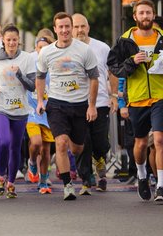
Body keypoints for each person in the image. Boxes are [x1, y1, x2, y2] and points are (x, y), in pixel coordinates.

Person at [36, 12, 99, 201]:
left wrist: (92, 106)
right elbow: (39, 77)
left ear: (72, 28)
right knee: (61, 143)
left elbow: (94, 79)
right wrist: (40, 101)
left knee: (77, 148)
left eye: (67, 26)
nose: (64, 30)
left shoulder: (84, 50)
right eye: (60, 27)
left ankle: (71, 161)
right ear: (55, 29)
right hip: (56, 104)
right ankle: (67, 185)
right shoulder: (46, 52)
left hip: (79, 104)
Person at [108, 0, 163, 201]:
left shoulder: (162, 37)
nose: (145, 16)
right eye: (141, 13)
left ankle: (161, 186)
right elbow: (113, 66)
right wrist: (132, 62)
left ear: (154, 15)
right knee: (140, 144)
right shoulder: (125, 40)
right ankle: (141, 174)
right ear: (135, 17)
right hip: (137, 98)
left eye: (148, 13)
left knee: (159, 140)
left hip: (160, 96)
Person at [0, 25, 36, 198]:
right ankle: (1, 176)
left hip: (20, 109)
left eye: (14, 39)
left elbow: (32, 85)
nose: (12, 43)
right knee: (4, 141)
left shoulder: (27, 58)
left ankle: (11, 183)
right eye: (8, 40)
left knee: (15, 147)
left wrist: (20, 74)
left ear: (18, 40)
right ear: (3, 41)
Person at [72, 13, 114, 193]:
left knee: (100, 142)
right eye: (76, 27)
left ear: (88, 28)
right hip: (77, 102)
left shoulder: (102, 47)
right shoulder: (67, 49)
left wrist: (115, 96)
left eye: (83, 26)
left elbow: (112, 72)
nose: (80, 30)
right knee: (83, 141)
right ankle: (87, 179)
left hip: (101, 102)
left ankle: (100, 159)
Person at [26, 32, 55, 194]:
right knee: (36, 143)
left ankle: (43, 182)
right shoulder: (30, 65)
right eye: (40, 48)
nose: (42, 51)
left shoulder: (54, 66)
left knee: (46, 150)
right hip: (31, 111)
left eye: (46, 48)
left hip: (49, 112)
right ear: (35, 49)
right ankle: (31, 162)